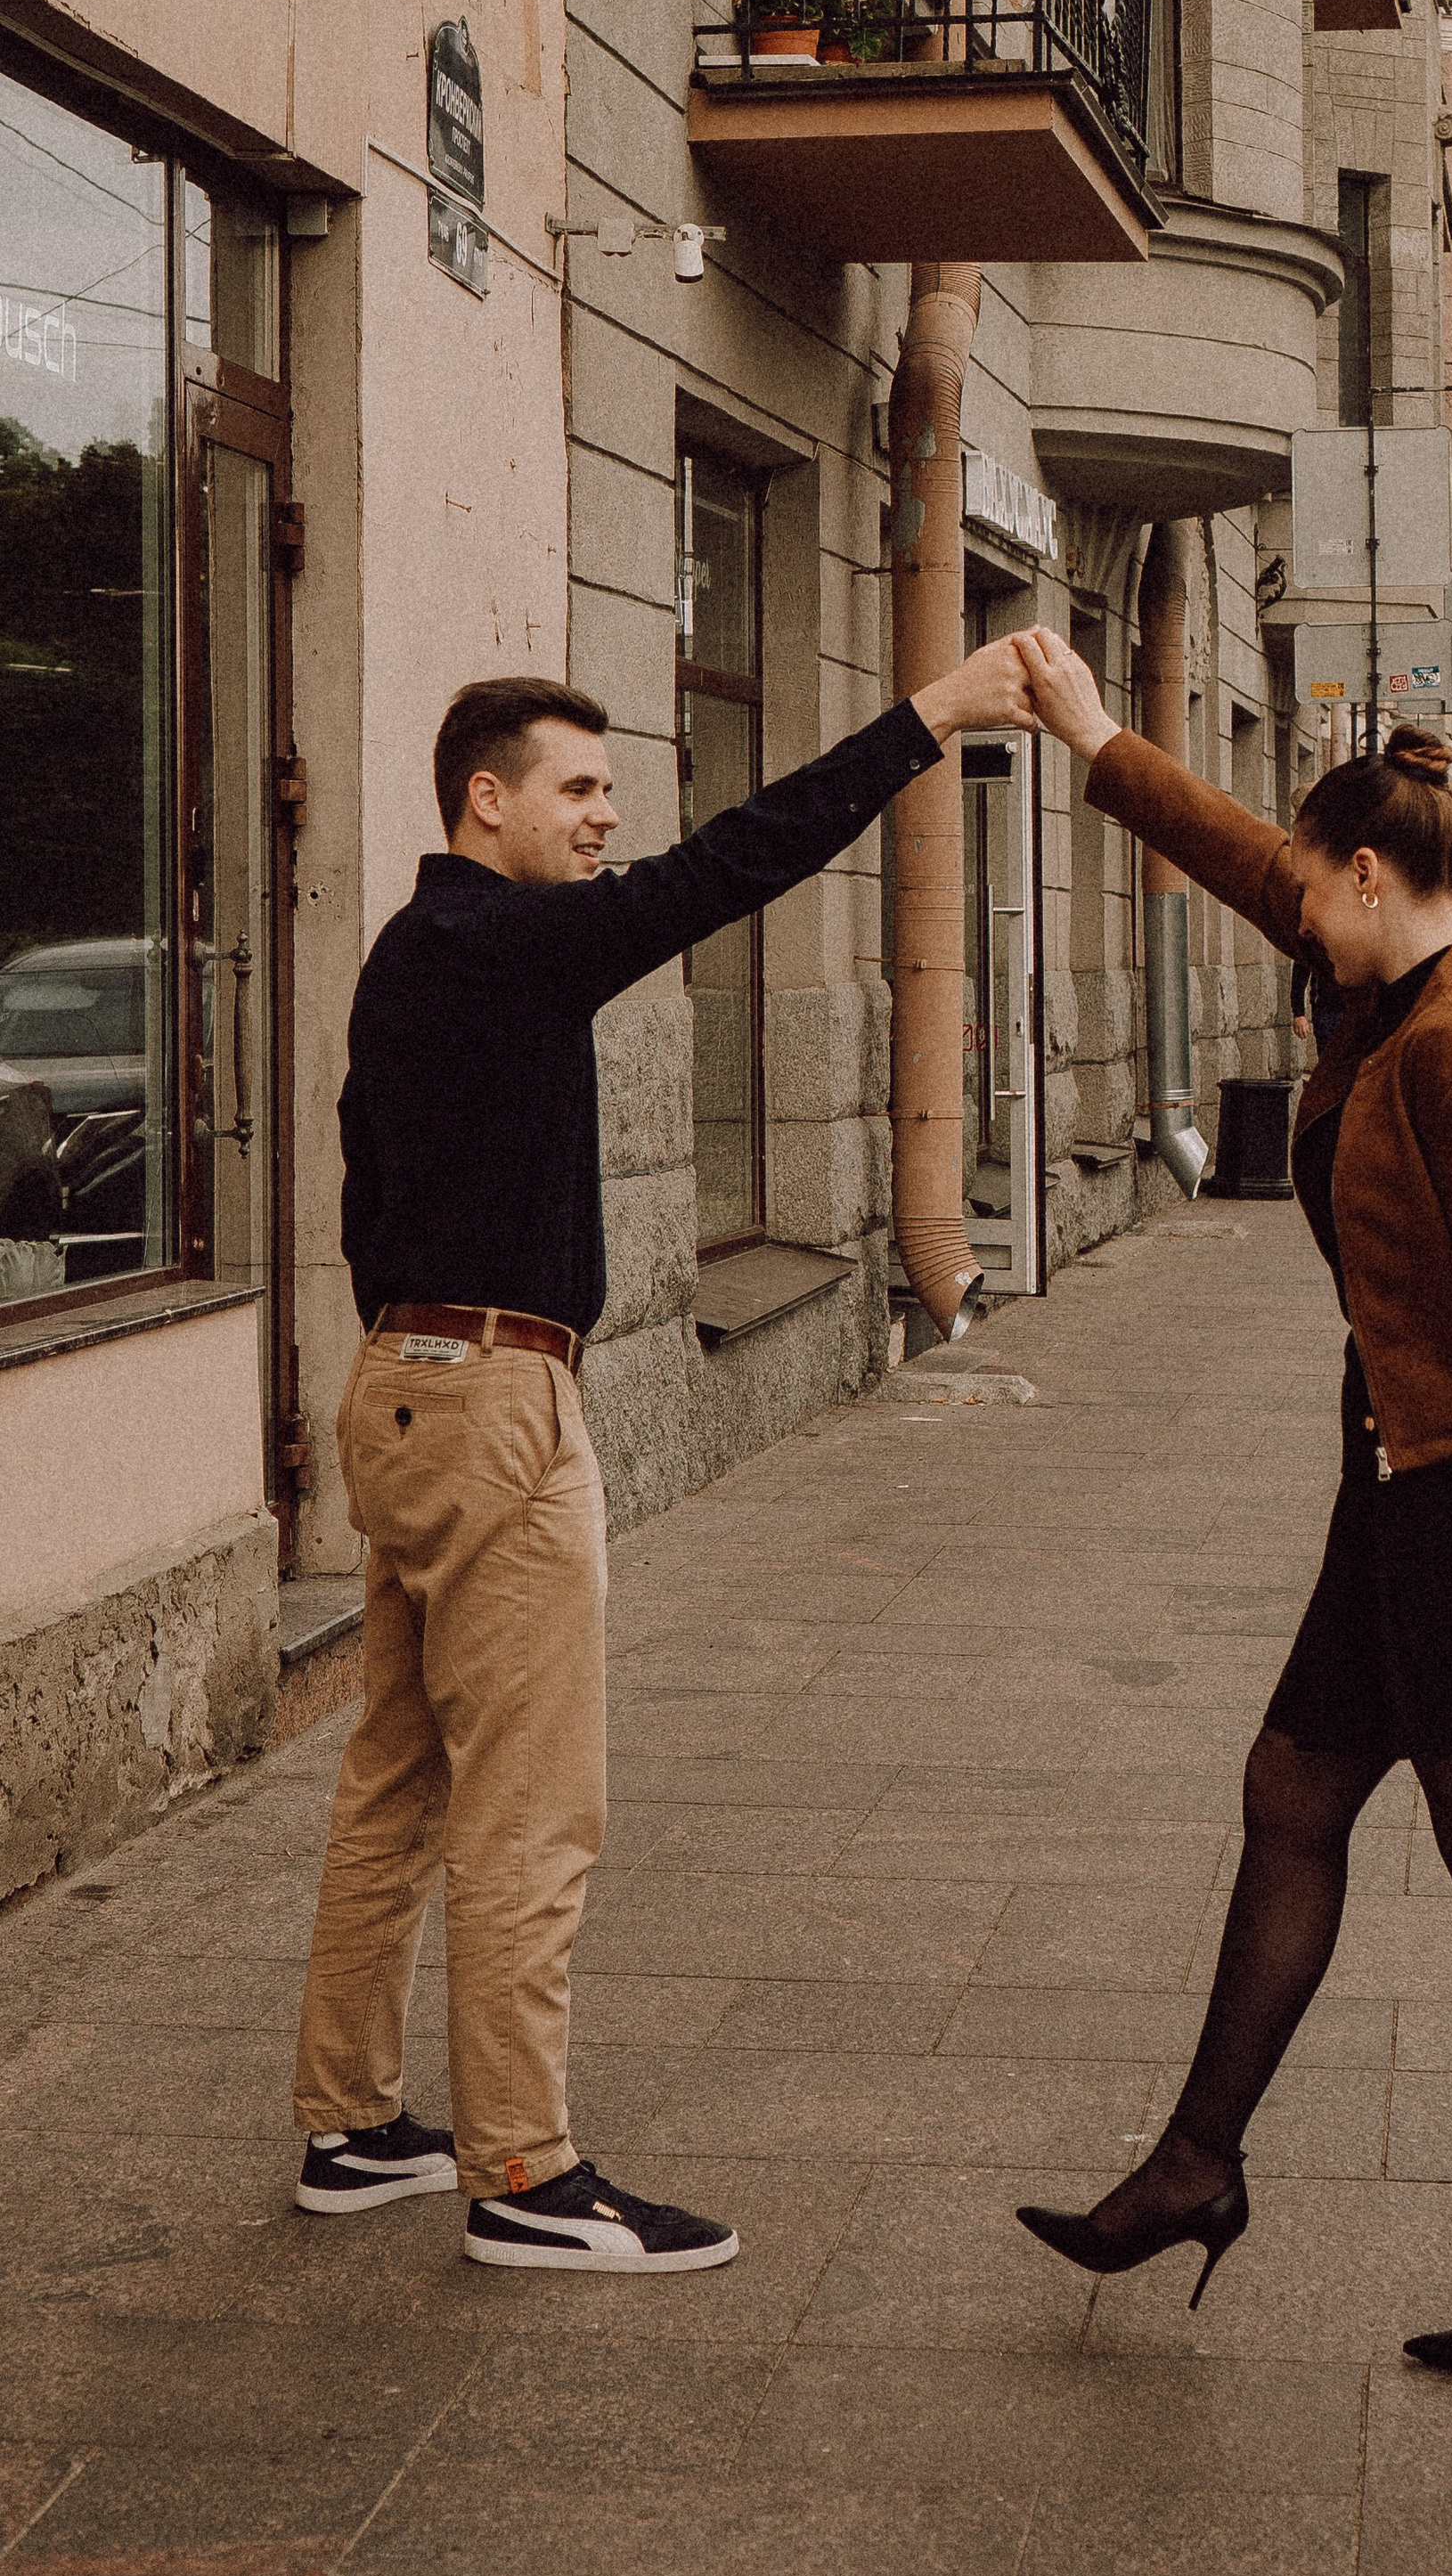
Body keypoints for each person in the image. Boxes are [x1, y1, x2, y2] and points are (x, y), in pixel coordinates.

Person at [1010, 633, 1452, 2375]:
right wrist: (1095, 738)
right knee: (1291, 1793)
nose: (1294, 921)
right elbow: (1247, 859)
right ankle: (1197, 2164)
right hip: (1394, 1486)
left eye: (1311, 890)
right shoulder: (1393, 966)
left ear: (1369, 875)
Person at [290, 642, 1038, 2274]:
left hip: (406, 1384)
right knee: (531, 1808)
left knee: (398, 1777)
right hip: (491, 1399)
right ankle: (525, 2173)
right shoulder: (505, 942)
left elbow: (363, 1184)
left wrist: (414, 1371)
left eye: (609, 791)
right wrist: (931, 717)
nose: (605, 818)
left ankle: (350, 2126)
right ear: (485, 801)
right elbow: (728, 870)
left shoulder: (418, 948)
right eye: (577, 788)